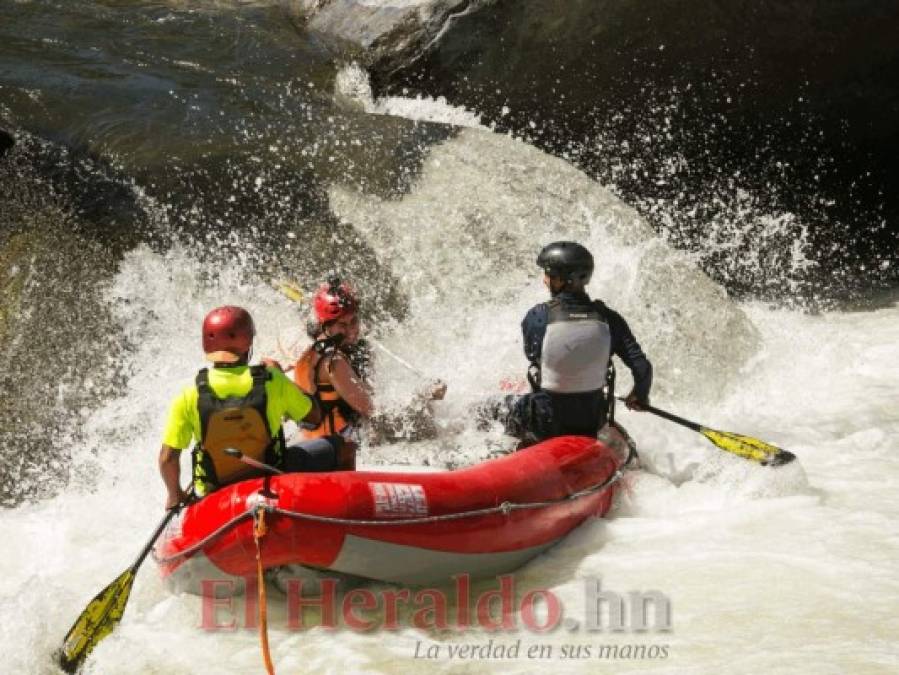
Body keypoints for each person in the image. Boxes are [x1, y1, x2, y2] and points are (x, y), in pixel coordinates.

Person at [158, 305, 353, 510]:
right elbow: (313, 416)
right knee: (344, 446)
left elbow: (168, 458)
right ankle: (345, 513)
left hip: (215, 490)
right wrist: (280, 375)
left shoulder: (189, 393)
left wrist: (175, 494)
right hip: (272, 475)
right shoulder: (271, 379)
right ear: (248, 342)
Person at [498, 241, 652, 447]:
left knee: (489, 408)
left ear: (563, 280)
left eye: (549, 275)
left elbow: (533, 355)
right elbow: (642, 367)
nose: (545, 280)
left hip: (545, 422)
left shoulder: (539, 315)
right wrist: (639, 396)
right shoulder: (609, 318)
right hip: (592, 421)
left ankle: (495, 451)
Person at [292, 276, 446, 443]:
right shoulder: (333, 362)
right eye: (342, 325)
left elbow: (370, 394)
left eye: (354, 321)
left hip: (343, 431)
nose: (351, 330)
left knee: (419, 413)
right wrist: (423, 395)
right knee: (421, 415)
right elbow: (373, 411)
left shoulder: (338, 346)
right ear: (326, 326)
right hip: (332, 443)